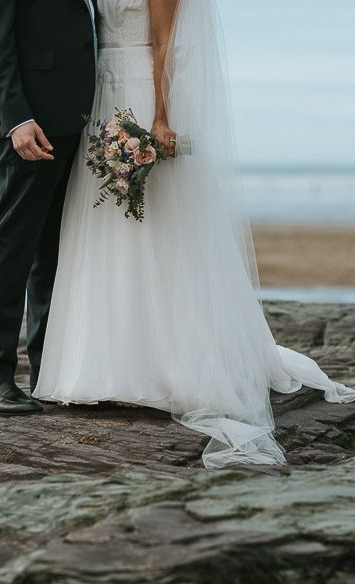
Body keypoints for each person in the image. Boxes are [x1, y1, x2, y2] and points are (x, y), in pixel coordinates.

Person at [32, 0, 355, 468]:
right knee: (104, 230)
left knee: (155, 226)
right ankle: (96, 368)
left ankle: (159, 366)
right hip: (100, 100)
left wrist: (160, 118)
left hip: (142, 97)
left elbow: (166, 42)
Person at [0, 0, 99, 416]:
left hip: (72, 119)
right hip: (28, 124)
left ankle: (47, 372)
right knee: (12, 246)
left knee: (52, 252)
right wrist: (16, 117)